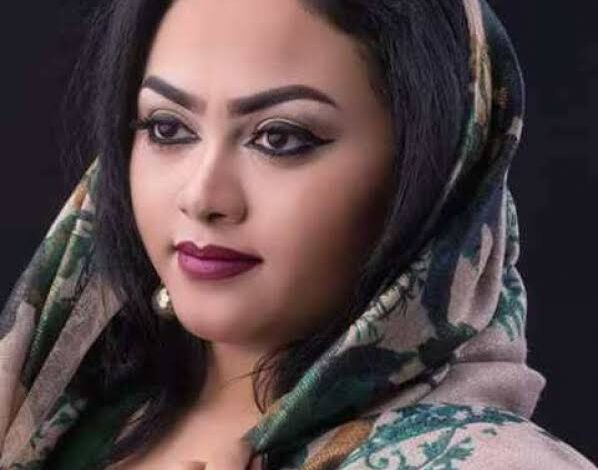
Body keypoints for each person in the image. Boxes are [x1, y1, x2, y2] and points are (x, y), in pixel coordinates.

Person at [0, 0, 595, 468]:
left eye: (280, 138)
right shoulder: (54, 407)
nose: (202, 197)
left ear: (431, 173)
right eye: (167, 128)